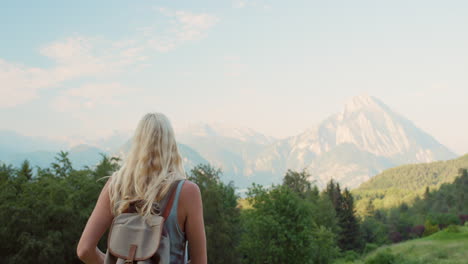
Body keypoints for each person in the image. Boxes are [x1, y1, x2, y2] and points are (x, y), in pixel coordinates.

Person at [77, 113, 207, 264]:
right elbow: (200, 261)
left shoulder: (116, 185)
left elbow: (84, 250)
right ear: (171, 145)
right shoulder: (187, 192)